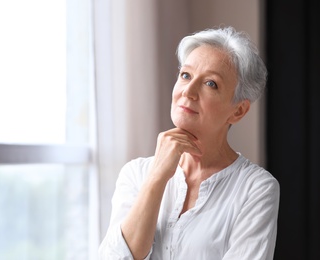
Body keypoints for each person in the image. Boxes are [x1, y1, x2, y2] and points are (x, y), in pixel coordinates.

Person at [98, 26, 280, 260]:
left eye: (210, 84)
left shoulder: (256, 188)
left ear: (238, 111)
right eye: (185, 75)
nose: (189, 91)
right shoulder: (136, 174)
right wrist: (157, 178)